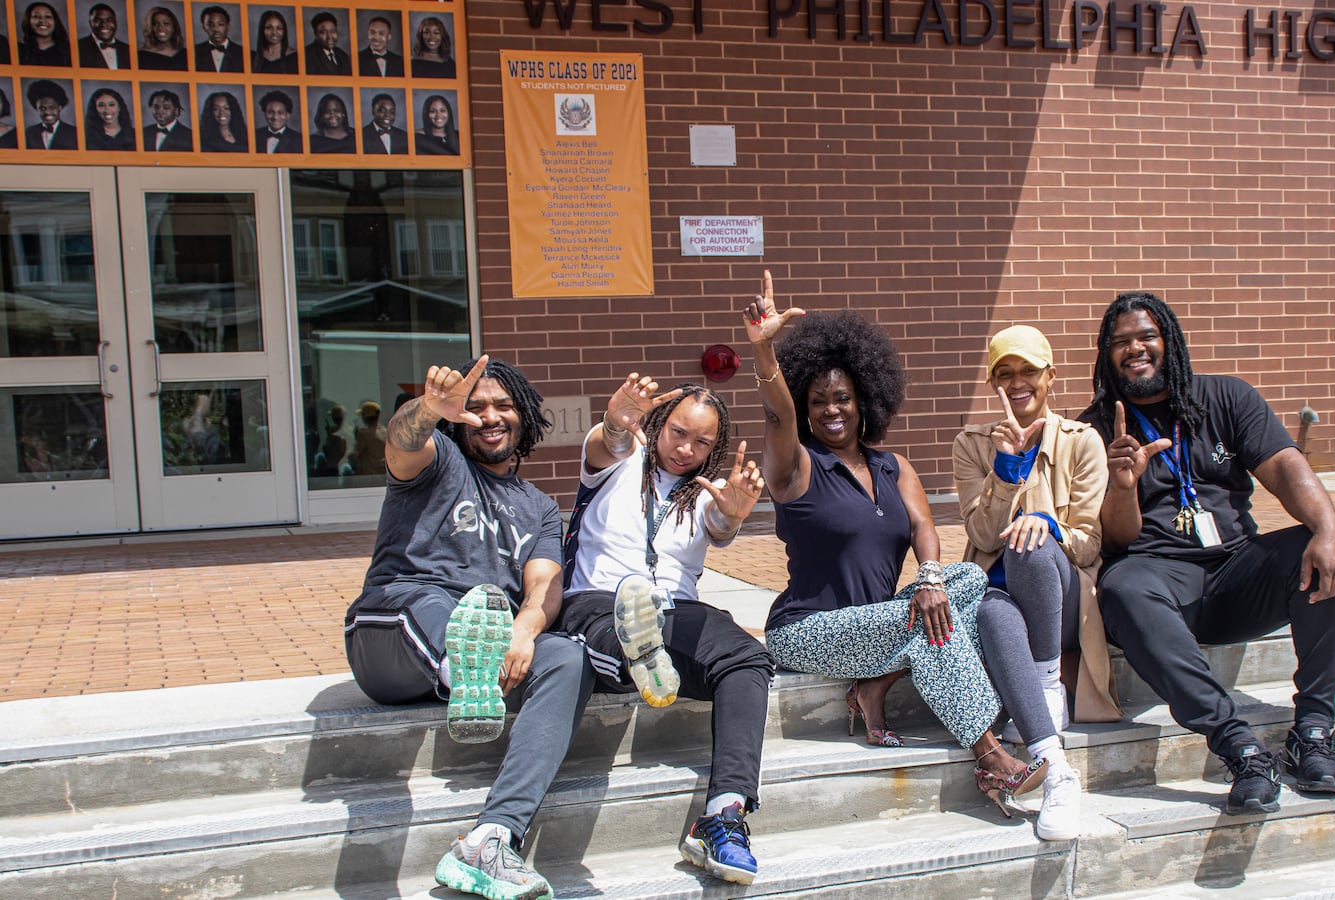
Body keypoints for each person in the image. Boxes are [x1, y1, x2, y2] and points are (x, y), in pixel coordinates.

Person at [741, 271, 1048, 816]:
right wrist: (766, 355)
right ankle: (992, 757)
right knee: (930, 629)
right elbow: (776, 414)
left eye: (842, 397)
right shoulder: (797, 467)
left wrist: (929, 579)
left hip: (882, 619)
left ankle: (874, 685)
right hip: (807, 629)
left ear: (865, 399)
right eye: (817, 401)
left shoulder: (894, 465)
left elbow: (926, 528)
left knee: (967, 579)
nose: (831, 410)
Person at [1079, 291, 1335, 815]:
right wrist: (1122, 486)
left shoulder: (1226, 397)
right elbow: (1113, 543)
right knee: (1120, 585)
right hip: (1157, 583)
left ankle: (1314, 730)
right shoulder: (1093, 429)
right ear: (1105, 355)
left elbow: (1283, 466)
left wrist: (1326, 526)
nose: (1134, 349)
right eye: (1119, 342)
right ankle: (1240, 746)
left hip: (1236, 572)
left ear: (1170, 340)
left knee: (1322, 545)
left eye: (1146, 336)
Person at [342, 355, 584, 900]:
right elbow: (404, 444)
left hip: (489, 634)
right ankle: (462, 669)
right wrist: (428, 409)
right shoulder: (441, 459)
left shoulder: (539, 507)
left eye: (503, 406)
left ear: (523, 416)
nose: (491, 416)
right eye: (476, 408)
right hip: (392, 632)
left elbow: (545, 583)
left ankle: (492, 836)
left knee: (567, 658)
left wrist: (525, 632)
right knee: (433, 606)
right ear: (458, 419)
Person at [557, 375, 771, 884]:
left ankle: (724, 813)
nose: (686, 449)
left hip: (672, 610)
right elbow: (602, 442)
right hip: (596, 599)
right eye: (678, 432)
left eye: (701, 442)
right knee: (616, 634)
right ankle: (634, 657)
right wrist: (614, 422)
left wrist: (734, 514)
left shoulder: (704, 494)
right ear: (656, 425)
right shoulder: (620, 457)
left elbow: (720, 528)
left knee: (747, 658)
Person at [951, 324, 1121, 841]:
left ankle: (1047, 678)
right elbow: (980, 532)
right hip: (1000, 597)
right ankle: (1057, 771)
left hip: (1061, 602)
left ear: (1050, 375)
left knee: (1030, 540)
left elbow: (1090, 543)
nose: (1018, 382)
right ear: (993, 383)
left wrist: (1045, 523)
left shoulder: (1082, 440)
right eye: (1005, 374)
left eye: (1029, 371)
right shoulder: (972, 444)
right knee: (988, 612)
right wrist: (1004, 471)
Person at [24, 79, 76, 150]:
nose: (47, 112)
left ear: (59, 108)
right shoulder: (29, 133)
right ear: (37, 109)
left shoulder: (74, 133)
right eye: (42, 108)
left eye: (51, 107)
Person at [78, 3, 131, 69]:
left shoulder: (128, 50)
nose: (104, 24)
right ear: (90, 23)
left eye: (109, 20)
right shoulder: (78, 48)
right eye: (97, 20)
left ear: (115, 22)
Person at [83, 85, 136, 150]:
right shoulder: (87, 137)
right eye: (101, 105)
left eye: (111, 105)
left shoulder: (135, 135)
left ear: (119, 107)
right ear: (94, 109)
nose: (107, 110)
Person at [18, 2, 71, 66]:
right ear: (27, 20)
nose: (42, 20)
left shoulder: (69, 51)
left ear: (55, 21)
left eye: (48, 16)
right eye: (36, 16)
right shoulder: (20, 51)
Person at [193, 5, 242, 73]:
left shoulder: (244, 54)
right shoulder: (194, 52)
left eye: (220, 24)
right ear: (204, 27)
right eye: (210, 25)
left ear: (228, 26)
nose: (215, 29)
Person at [137, 4, 185, 70]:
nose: (161, 28)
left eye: (166, 23)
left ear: (174, 27)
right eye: (155, 24)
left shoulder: (185, 54)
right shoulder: (141, 56)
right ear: (150, 28)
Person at [255, 89, 301, 154]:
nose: (275, 117)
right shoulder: (254, 136)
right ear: (265, 113)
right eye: (270, 112)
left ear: (287, 115)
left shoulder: (299, 139)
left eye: (280, 113)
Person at [250, 9, 297, 74]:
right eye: (269, 28)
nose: (274, 32)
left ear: (284, 31)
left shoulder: (295, 57)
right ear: (262, 30)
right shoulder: (254, 57)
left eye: (279, 28)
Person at [303, 11, 349, 76]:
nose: (329, 37)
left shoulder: (343, 56)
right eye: (323, 32)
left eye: (332, 31)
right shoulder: (307, 56)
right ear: (315, 34)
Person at [352, 399, 386, 474]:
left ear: (365, 417)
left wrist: (356, 438)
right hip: (383, 475)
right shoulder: (385, 432)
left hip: (369, 475)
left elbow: (355, 455)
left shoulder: (364, 434)